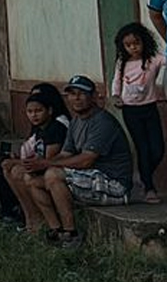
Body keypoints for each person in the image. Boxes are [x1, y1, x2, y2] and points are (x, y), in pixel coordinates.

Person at [27, 75, 134, 247]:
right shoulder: (76, 122)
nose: (76, 98)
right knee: (33, 181)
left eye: (81, 94)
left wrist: (47, 164)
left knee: (53, 175)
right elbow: (64, 154)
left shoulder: (102, 121)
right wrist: (36, 164)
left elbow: (86, 160)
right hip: (91, 178)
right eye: (72, 94)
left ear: (93, 96)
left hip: (114, 184)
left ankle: (71, 233)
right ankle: (56, 230)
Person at [109, 22, 164, 204]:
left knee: (157, 148)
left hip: (150, 108)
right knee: (142, 147)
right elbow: (116, 82)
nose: (133, 48)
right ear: (123, 47)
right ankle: (149, 188)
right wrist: (116, 96)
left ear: (144, 42)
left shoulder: (152, 60)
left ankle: (143, 174)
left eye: (136, 43)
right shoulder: (122, 63)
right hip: (131, 111)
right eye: (128, 45)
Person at [0, 90, 68, 232]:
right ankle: (29, 216)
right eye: (30, 111)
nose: (34, 115)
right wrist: (17, 158)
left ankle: (38, 219)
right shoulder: (39, 128)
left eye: (38, 111)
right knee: (7, 167)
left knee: (19, 172)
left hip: (54, 170)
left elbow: (48, 160)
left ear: (49, 111)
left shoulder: (55, 128)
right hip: (40, 167)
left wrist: (18, 163)